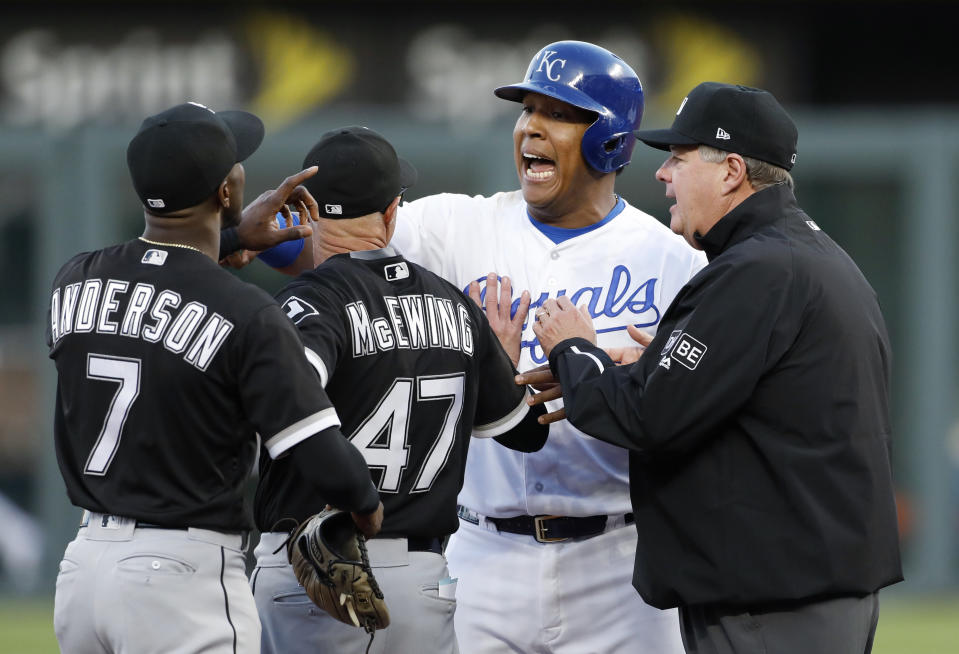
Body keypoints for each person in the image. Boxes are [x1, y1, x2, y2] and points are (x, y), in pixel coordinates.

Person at [533, 82, 903, 654]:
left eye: (678, 158)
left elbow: (646, 416)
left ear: (731, 171)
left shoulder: (756, 270)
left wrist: (573, 348)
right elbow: (748, 395)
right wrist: (653, 362)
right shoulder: (811, 254)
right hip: (810, 589)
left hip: (774, 602)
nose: (662, 175)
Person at [387, 41, 706, 654]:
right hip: (484, 553)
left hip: (620, 559)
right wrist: (244, 235)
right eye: (526, 109)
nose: (530, 126)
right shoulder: (461, 226)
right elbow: (331, 237)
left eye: (557, 113)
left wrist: (646, 374)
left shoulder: (672, 258)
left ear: (609, 138)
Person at [47, 101, 384, 654]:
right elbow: (320, 452)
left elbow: (155, 282)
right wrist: (365, 507)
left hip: (84, 571)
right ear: (227, 192)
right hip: (180, 578)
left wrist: (229, 240)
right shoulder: (247, 311)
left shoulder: (74, 279)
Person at [250, 126, 550, 654]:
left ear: (306, 210)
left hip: (314, 569)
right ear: (392, 213)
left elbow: (284, 396)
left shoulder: (312, 302)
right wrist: (501, 362)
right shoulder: (456, 306)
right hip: (422, 581)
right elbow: (524, 434)